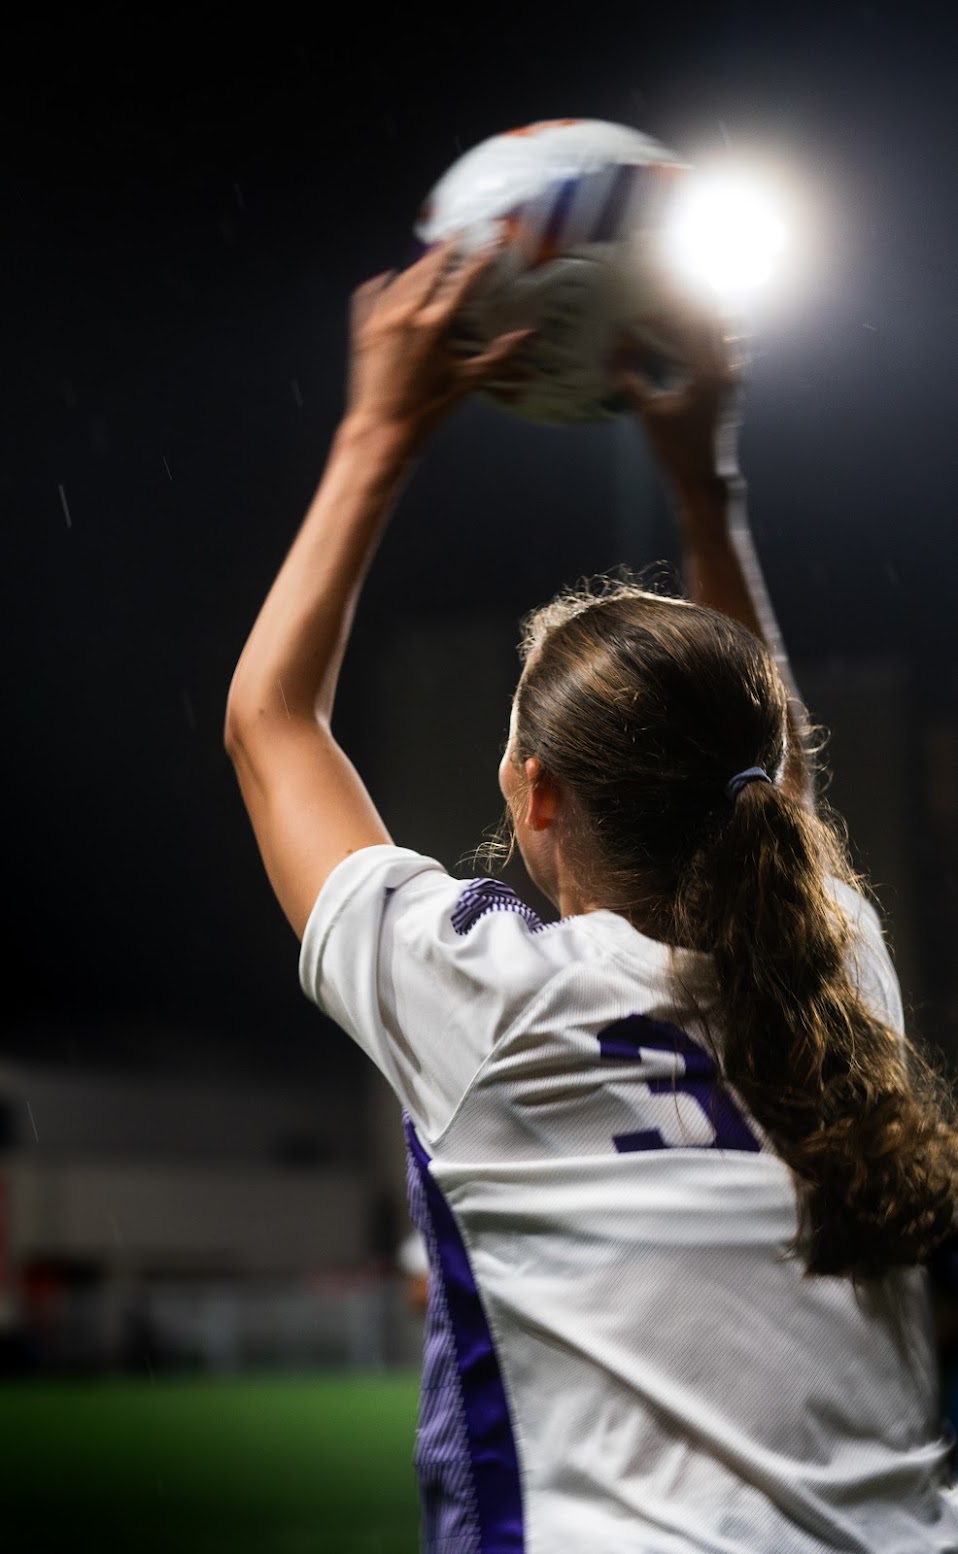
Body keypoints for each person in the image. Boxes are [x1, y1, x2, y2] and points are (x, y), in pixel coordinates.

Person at [224, 236, 958, 1552]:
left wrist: (379, 431)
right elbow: (764, 780)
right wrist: (705, 480)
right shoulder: (834, 978)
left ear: (533, 792)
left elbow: (271, 724)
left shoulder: (493, 997)